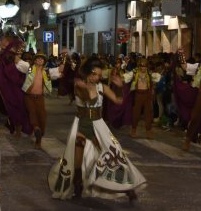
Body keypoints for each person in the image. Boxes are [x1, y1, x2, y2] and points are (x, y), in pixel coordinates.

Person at [48, 56, 145, 201]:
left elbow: (118, 101)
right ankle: (78, 186)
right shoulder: (79, 86)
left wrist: (119, 87)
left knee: (113, 153)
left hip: (98, 125)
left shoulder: (101, 87)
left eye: (100, 75)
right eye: (95, 74)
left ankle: (126, 187)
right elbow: (89, 98)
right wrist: (84, 86)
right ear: (87, 73)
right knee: (77, 159)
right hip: (81, 124)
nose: (97, 77)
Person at [0, 36, 32, 137]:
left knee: (17, 108)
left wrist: (21, 81)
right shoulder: (7, 54)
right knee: (15, 108)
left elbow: (14, 71)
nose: (1, 42)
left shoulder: (10, 55)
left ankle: (19, 129)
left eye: (3, 40)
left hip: (13, 87)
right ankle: (18, 129)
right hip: (9, 86)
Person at [22, 52, 52, 149]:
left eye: (41, 59)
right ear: (34, 61)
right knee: (32, 113)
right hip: (29, 96)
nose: (39, 60)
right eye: (38, 59)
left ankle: (39, 137)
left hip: (40, 97)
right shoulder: (29, 69)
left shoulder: (46, 71)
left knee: (42, 117)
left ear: (44, 62)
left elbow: (56, 73)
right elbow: (20, 65)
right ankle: (36, 128)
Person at [130, 57, 154, 138]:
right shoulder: (135, 72)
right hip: (138, 94)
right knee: (136, 113)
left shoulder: (149, 74)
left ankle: (148, 132)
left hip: (146, 94)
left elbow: (152, 84)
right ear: (139, 66)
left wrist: (152, 92)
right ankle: (133, 130)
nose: (143, 67)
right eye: (142, 66)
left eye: (145, 66)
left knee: (148, 114)